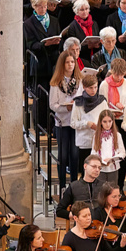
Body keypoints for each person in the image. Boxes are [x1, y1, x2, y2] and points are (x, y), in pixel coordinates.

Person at [62, 201, 126, 251]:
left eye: (89, 215)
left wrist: (121, 245)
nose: (88, 218)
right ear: (76, 218)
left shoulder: (96, 233)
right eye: (84, 216)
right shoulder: (69, 237)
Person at [49, 50, 83, 186]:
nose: (70, 65)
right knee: (62, 156)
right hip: (62, 123)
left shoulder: (79, 81)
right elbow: (53, 104)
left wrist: (76, 105)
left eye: (72, 62)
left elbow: (82, 99)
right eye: (67, 62)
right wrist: (65, 108)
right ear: (62, 64)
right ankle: (62, 185)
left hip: (75, 122)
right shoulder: (56, 83)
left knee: (75, 155)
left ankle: (74, 184)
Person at [25, 0, 62, 89]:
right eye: (40, 7)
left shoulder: (54, 20)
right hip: (39, 62)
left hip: (54, 60)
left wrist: (57, 42)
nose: (43, 9)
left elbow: (59, 38)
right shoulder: (28, 24)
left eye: (45, 6)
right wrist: (44, 44)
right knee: (42, 94)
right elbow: (30, 45)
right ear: (34, 6)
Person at [70, 75, 108, 167]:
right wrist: (87, 123)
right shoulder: (78, 102)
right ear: (84, 87)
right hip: (84, 141)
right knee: (86, 170)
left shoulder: (102, 101)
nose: (93, 90)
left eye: (95, 87)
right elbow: (73, 123)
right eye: (90, 88)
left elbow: (107, 119)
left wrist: (101, 126)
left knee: (99, 170)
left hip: (99, 141)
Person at [56, 154, 104, 220]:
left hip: (100, 225)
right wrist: (76, 216)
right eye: (94, 167)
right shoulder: (73, 186)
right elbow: (59, 211)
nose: (97, 170)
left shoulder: (104, 186)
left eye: (99, 168)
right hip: (81, 226)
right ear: (85, 166)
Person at [90, 110, 126, 185]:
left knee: (112, 190)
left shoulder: (117, 135)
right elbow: (93, 152)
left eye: (110, 121)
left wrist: (112, 159)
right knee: (100, 191)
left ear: (113, 121)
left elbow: (123, 153)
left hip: (113, 168)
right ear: (100, 122)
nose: (108, 124)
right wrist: (100, 161)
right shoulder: (96, 136)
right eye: (105, 122)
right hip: (100, 169)